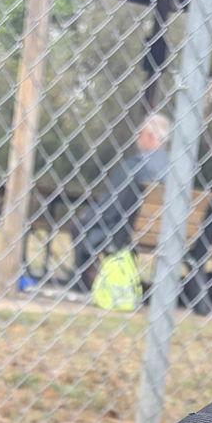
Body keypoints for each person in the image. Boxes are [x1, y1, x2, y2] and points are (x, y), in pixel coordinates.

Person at [69, 113, 170, 293]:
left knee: (79, 225)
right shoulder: (174, 168)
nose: (137, 138)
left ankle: (83, 286)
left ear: (151, 137)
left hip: (124, 230)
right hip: (165, 233)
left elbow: (111, 206)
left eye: (140, 133)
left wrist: (88, 215)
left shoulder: (135, 165)